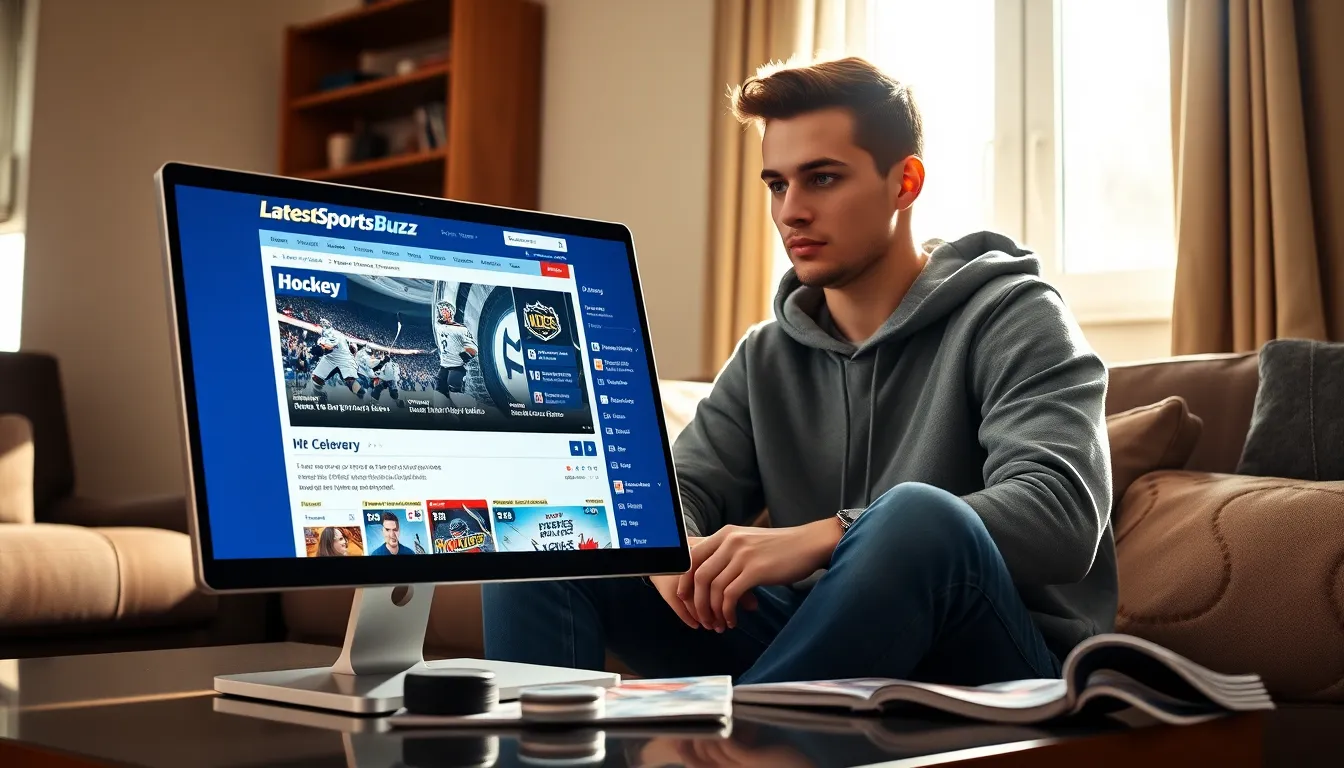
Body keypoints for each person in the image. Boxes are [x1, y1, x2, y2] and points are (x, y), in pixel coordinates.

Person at [483, 56, 1115, 686]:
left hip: (991, 663)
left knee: (918, 517)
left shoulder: (1015, 314)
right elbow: (680, 490)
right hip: (821, 643)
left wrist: (829, 535)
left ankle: (742, 743)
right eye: (777, 185)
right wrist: (668, 550)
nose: (791, 211)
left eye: (822, 179)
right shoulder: (766, 354)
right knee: (559, 537)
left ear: (905, 182)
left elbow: (1059, 515)